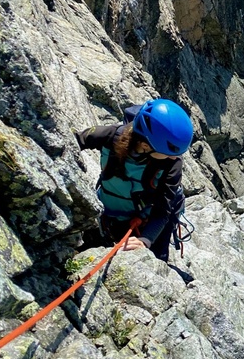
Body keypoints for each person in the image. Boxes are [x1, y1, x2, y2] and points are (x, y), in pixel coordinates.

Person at [76, 98, 193, 261]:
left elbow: (162, 211)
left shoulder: (171, 164)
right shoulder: (111, 135)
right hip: (111, 210)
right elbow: (73, 141)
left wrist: (145, 240)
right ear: (145, 145)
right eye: (168, 153)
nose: (174, 158)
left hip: (148, 217)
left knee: (157, 258)